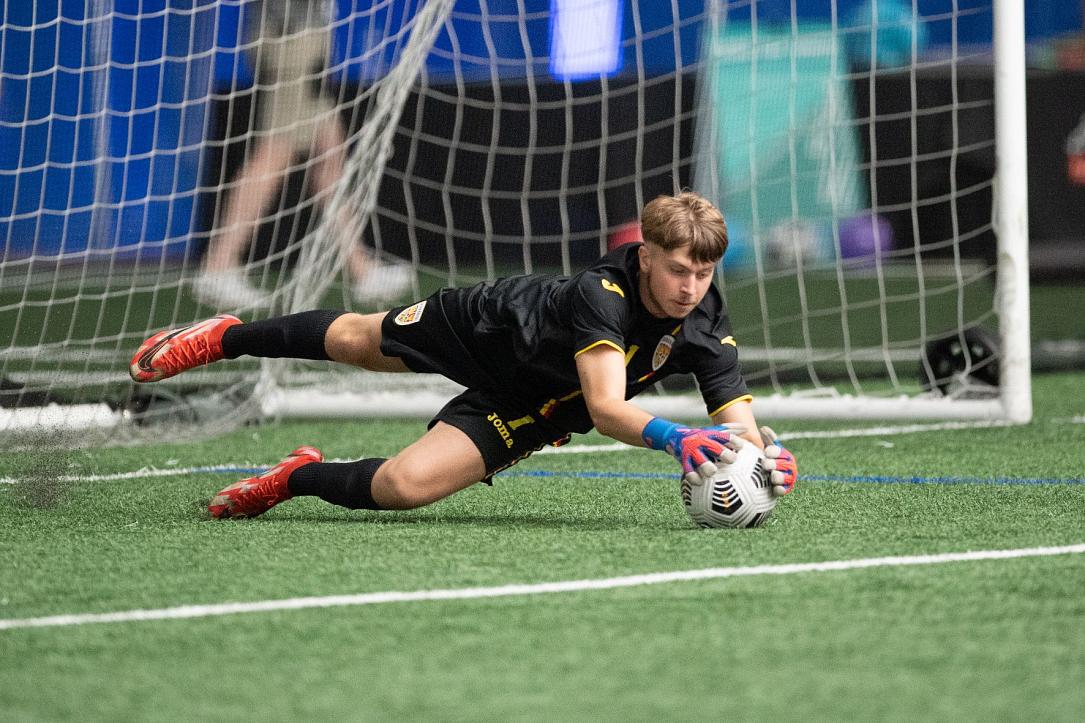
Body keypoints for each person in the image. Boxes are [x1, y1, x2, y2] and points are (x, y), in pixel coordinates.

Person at [132, 191, 797, 519]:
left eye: (703, 273)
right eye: (678, 270)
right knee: (358, 341)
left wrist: (761, 458)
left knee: (404, 488)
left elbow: (735, 417)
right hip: (491, 328)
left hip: (535, 402)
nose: (690, 287)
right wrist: (675, 437)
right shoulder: (605, 291)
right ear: (646, 254)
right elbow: (607, 403)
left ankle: (293, 476)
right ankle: (223, 337)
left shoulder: (706, 318)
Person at [193, 0, 412, 309]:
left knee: (329, 157)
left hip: (303, 38)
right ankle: (219, 265)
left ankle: (363, 270)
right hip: (289, 37)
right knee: (273, 154)